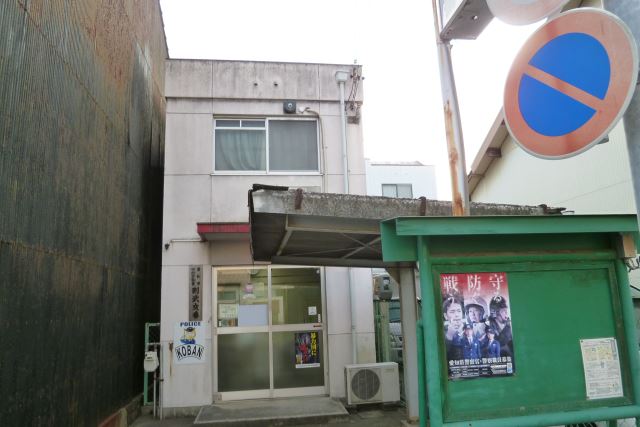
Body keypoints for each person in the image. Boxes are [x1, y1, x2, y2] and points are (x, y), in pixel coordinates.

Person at [442, 295, 465, 361]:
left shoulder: (468, 328)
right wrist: (449, 335)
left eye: (459, 311)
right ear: (446, 316)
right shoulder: (441, 331)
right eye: (452, 312)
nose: (457, 315)